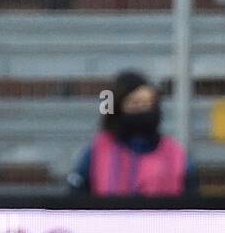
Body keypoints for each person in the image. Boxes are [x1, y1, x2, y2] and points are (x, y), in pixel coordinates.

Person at [67, 70, 196, 196]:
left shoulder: (175, 154)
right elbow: (76, 200)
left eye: (148, 104)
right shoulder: (97, 152)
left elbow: (192, 202)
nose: (143, 109)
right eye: (134, 103)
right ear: (119, 108)